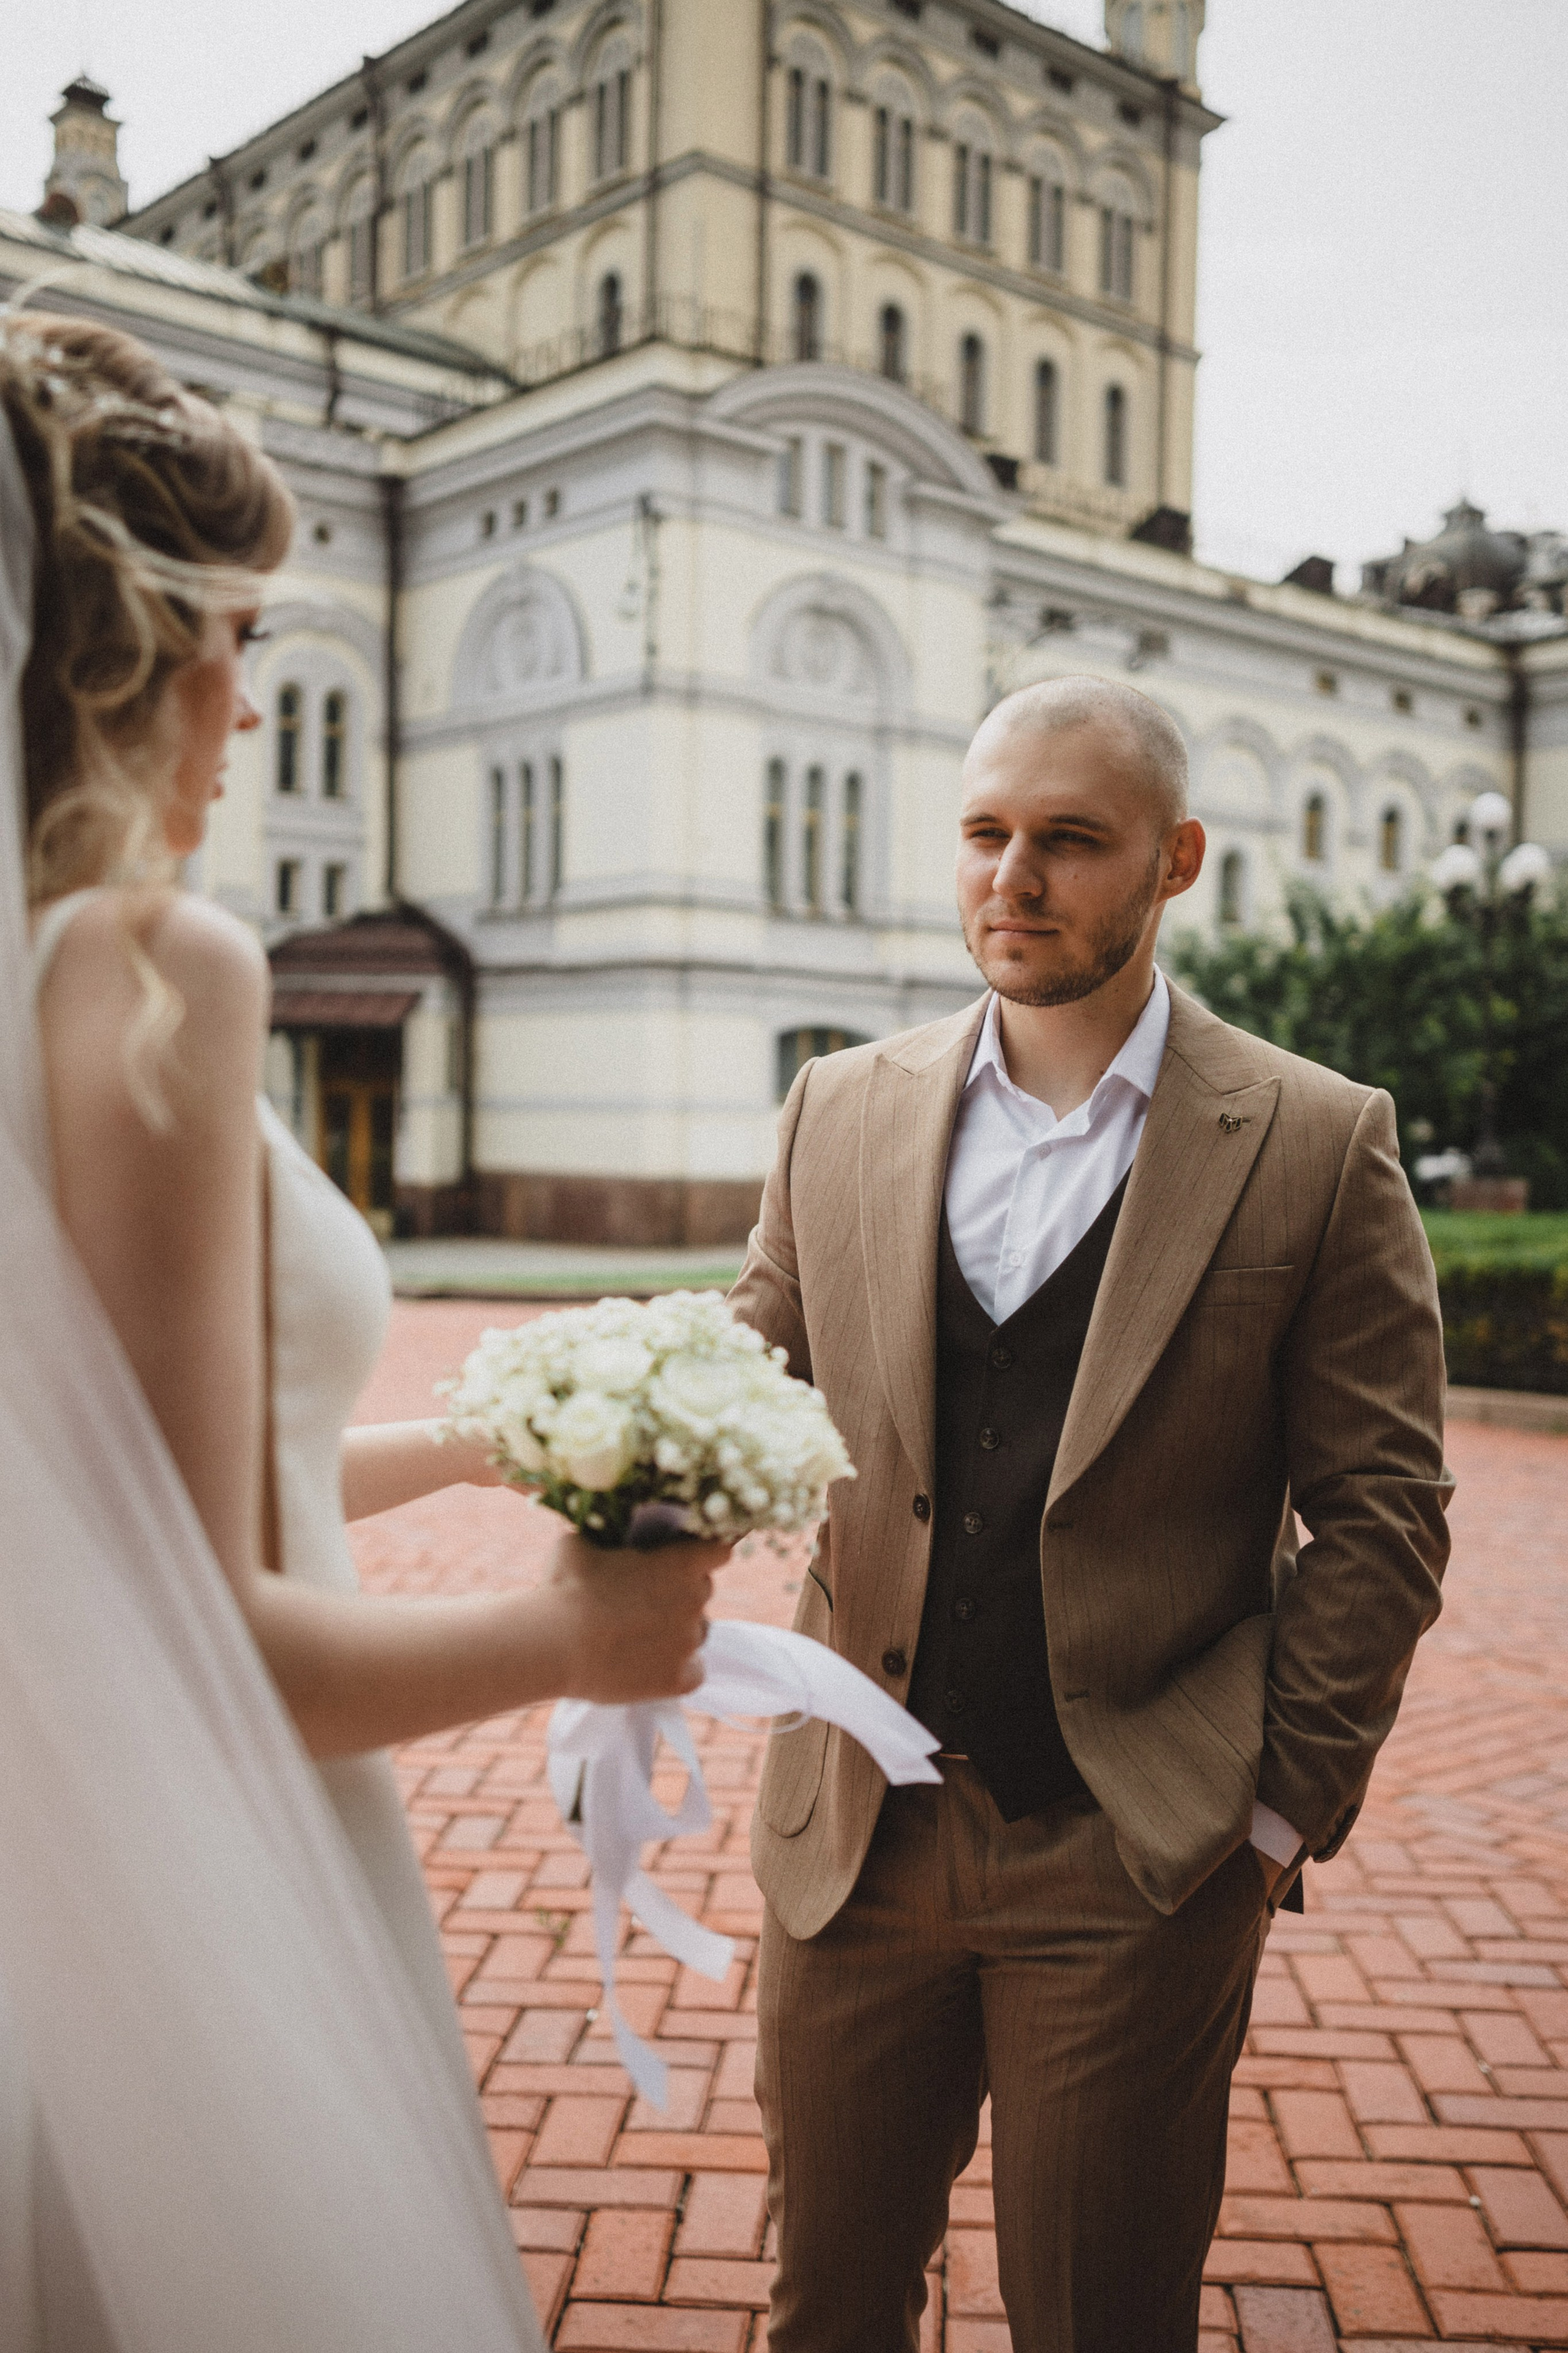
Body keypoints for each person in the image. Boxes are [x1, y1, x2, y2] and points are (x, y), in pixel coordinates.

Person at [0, 311, 718, 2349]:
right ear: (126, 648)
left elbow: (108, 1507)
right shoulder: (148, 967)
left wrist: (489, 1436)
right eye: (238, 628)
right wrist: (583, 1637)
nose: (252, 698)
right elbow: (206, 1638)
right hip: (191, 1864)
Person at [731, 675, 1452, 2352]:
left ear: (1176, 858)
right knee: (825, 2307)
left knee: (1101, 2320)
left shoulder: (1316, 1141)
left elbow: (1385, 1515)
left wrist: (1269, 1821)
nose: (1015, 878)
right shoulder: (837, 1108)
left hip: (1132, 1853)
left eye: (1070, 840)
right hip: (852, 1838)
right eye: (987, 834)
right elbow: (733, 1381)